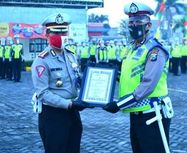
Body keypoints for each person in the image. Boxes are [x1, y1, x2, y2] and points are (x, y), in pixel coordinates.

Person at [103, 2, 172, 153]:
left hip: (153, 114)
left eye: (138, 22)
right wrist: (109, 76)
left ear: (148, 25)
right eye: (131, 22)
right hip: (136, 114)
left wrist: (119, 104)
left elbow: (148, 85)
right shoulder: (132, 49)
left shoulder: (154, 50)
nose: (134, 25)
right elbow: (130, 77)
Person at [31, 13, 90, 153]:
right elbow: (43, 93)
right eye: (56, 32)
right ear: (47, 34)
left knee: (73, 149)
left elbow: (76, 79)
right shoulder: (41, 61)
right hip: (53, 115)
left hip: (73, 113)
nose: (61, 35)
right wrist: (69, 104)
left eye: (64, 31)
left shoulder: (70, 55)